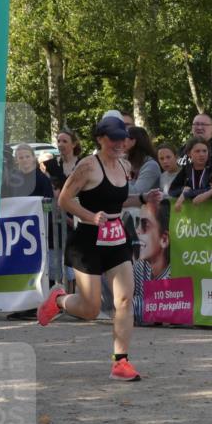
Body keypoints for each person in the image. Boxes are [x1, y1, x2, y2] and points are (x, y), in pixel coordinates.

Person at [37, 116, 163, 381]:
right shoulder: (87, 166)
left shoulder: (124, 164)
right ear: (100, 139)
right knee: (91, 309)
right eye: (113, 139)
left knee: (124, 300)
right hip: (87, 242)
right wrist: (90, 216)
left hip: (116, 239)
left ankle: (121, 362)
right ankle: (59, 300)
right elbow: (64, 200)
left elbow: (117, 200)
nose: (119, 144)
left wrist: (142, 197)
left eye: (123, 139)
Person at [133, 198, 171, 326]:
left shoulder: (174, 274)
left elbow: (162, 311)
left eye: (145, 226)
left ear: (164, 239)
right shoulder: (140, 266)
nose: (137, 231)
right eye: (138, 224)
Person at [125, 126, 161, 196]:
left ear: (133, 141)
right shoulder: (127, 161)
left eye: (123, 138)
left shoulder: (151, 166)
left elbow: (136, 193)